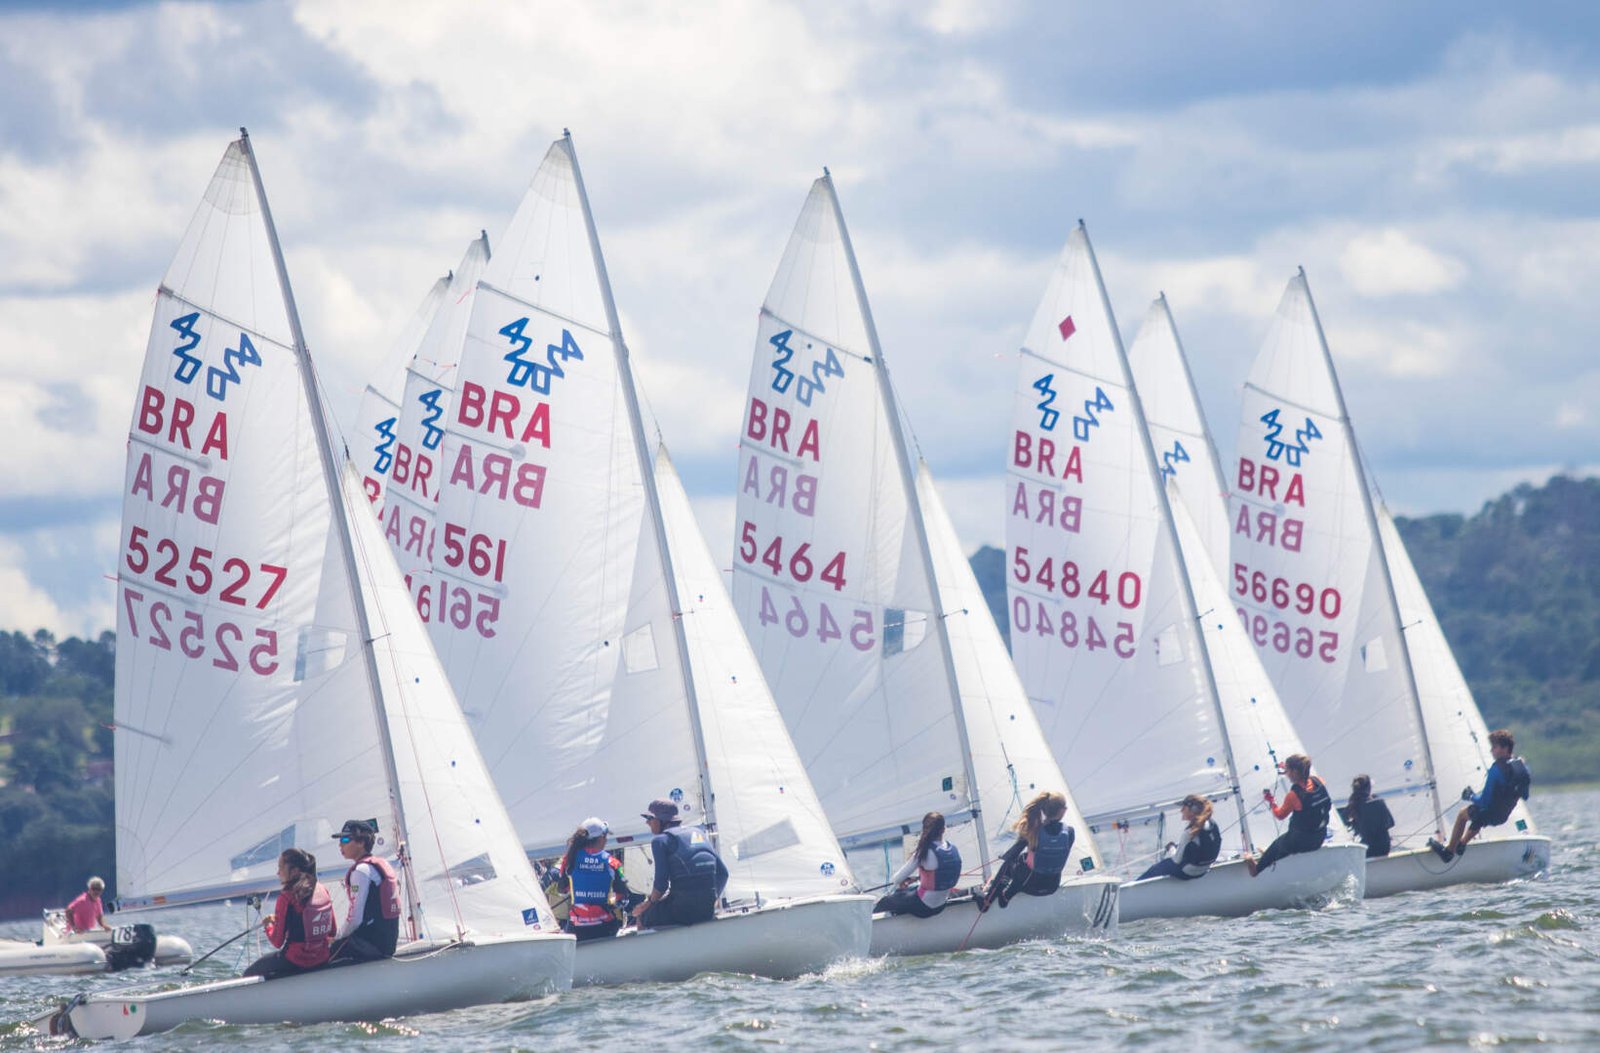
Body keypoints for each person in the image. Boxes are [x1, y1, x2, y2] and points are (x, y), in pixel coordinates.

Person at [1429, 729, 1532, 861]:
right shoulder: (1522, 768)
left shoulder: (1496, 769)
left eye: (1494, 747)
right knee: (1480, 815)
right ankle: (1462, 843)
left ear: (1505, 748)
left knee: (1463, 814)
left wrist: (1470, 796)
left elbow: (1484, 801)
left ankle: (1449, 852)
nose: (1491, 751)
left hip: (1490, 814)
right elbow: (1525, 796)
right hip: (1503, 816)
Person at [632, 799, 728, 928]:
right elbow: (723, 874)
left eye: (650, 818)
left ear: (661, 820)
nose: (647, 822)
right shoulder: (699, 833)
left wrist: (646, 905)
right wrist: (712, 899)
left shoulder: (660, 841)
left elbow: (661, 885)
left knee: (642, 916)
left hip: (681, 909)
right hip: (707, 909)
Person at [244, 848, 335, 979]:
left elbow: (277, 942)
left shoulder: (286, 897)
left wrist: (269, 926)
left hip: (295, 960)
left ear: (294, 871)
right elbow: (332, 931)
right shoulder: (322, 889)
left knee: (248, 975)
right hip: (321, 958)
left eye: (280, 867)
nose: (278, 872)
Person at [980, 791, 1076, 910]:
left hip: (1029, 885)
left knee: (1011, 864)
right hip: (1052, 887)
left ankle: (990, 901)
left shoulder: (1033, 831)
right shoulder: (1070, 832)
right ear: (1062, 811)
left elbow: (1011, 856)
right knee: (1028, 861)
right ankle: (1005, 896)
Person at [1245, 754, 1331, 877]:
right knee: (1286, 843)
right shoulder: (1319, 781)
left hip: (1300, 842)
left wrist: (1271, 801)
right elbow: (1307, 781)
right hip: (1318, 839)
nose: (1286, 774)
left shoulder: (1294, 795)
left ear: (1294, 772)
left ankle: (1256, 869)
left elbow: (1280, 815)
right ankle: (1272, 855)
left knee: (1279, 844)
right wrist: (1286, 768)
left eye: (1287, 771)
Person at [328, 819, 402, 963]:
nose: (340, 845)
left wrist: (336, 938)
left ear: (361, 842)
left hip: (369, 943)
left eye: (345, 839)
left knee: (321, 956)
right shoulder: (382, 864)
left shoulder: (361, 871)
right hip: (386, 943)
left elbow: (355, 919)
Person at [556, 817, 641, 941]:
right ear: (601, 838)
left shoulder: (569, 859)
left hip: (576, 929)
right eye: (605, 836)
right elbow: (622, 900)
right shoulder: (613, 863)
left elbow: (561, 890)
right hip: (604, 928)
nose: (606, 840)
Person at [874, 812, 962, 918]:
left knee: (885, 901)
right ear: (943, 829)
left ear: (924, 829)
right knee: (903, 892)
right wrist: (918, 878)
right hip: (941, 905)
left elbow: (896, 880)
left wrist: (903, 880)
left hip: (923, 906)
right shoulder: (953, 849)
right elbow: (940, 875)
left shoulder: (924, 851)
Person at [1136, 795, 1222, 882]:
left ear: (1193, 810)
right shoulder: (1212, 824)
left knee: (1156, 868)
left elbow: (1176, 860)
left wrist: (1171, 848)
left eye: (1184, 808)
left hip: (1187, 873)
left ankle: (1135, 885)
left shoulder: (1189, 832)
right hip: (1204, 871)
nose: (1181, 810)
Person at [1339, 774, 1395, 859]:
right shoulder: (1378, 802)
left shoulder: (1353, 806)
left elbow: (1343, 822)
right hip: (1383, 846)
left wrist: (1356, 827)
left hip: (1366, 847)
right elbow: (1391, 823)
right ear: (1369, 788)